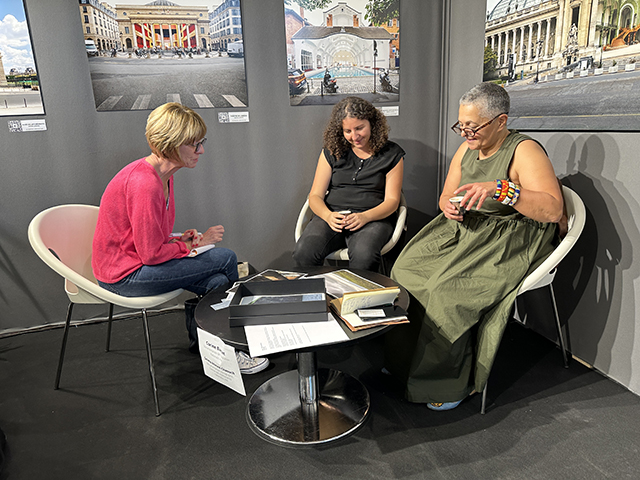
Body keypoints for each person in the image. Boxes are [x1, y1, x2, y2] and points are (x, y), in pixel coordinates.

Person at [384, 82, 564, 410]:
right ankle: (406, 363)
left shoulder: (525, 151)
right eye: (461, 125)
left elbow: (552, 210)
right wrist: (448, 206)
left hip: (508, 237)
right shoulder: (468, 148)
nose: (466, 133)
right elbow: (446, 195)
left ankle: (445, 383)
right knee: (405, 270)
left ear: (501, 121)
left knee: (444, 291)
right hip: (467, 227)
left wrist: (503, 189)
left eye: (473, 126)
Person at [92, 103, 268, 374]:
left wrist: (179, 239)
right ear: (170, 144)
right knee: (226, 258)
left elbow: (148, 236)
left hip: (134, 262)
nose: (201, 150)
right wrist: (187, 245)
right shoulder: (145, 183)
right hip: (124, 275)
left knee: (217, 282)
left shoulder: (162, 176)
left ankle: (211, 348)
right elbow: (150, 254)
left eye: (201, 143)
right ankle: (233, 344)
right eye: (194, 144)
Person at [293, 96, 404, 272]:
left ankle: (359, 292)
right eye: (347, 131)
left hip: (373, 218)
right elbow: (315, 196)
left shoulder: (392, 153)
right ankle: (316, 290)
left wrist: (365, 217)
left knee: (364, 255)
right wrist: (328, 216)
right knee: (304, 252)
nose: (354, 136)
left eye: (359, 128)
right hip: (333, 217)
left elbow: (392, 201)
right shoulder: (332, 151)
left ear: (372, 124)